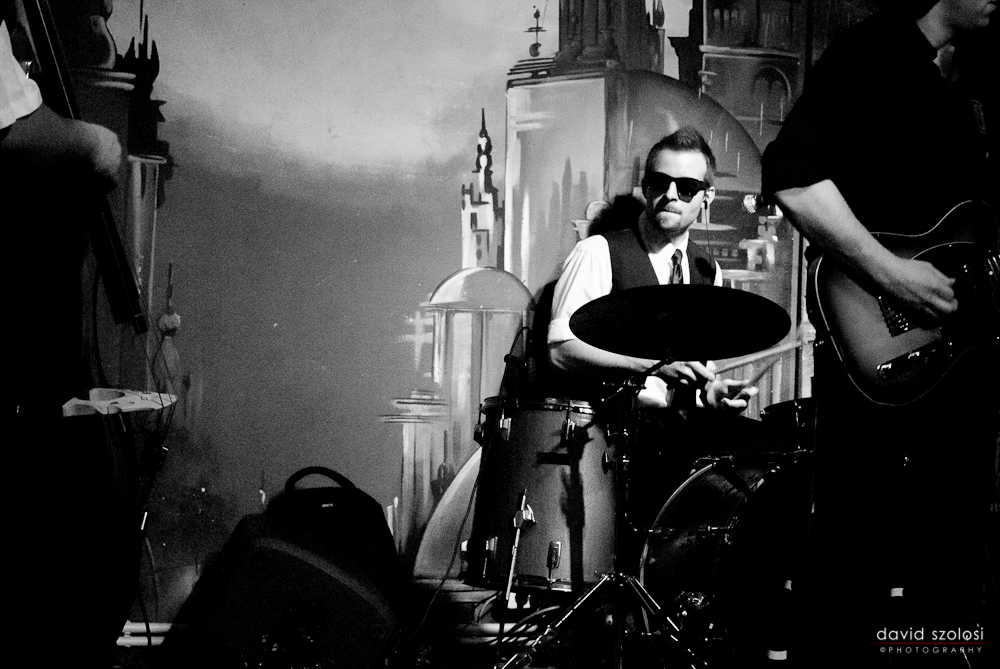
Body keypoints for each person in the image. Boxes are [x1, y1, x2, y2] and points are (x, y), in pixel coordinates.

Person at [762, 1, 998, 666]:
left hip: (965, 370)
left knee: (951, 577)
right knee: (854, 569)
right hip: (877, 356)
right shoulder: (874, 54)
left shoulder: (980, 79)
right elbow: (793, 177)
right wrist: (894, 275)